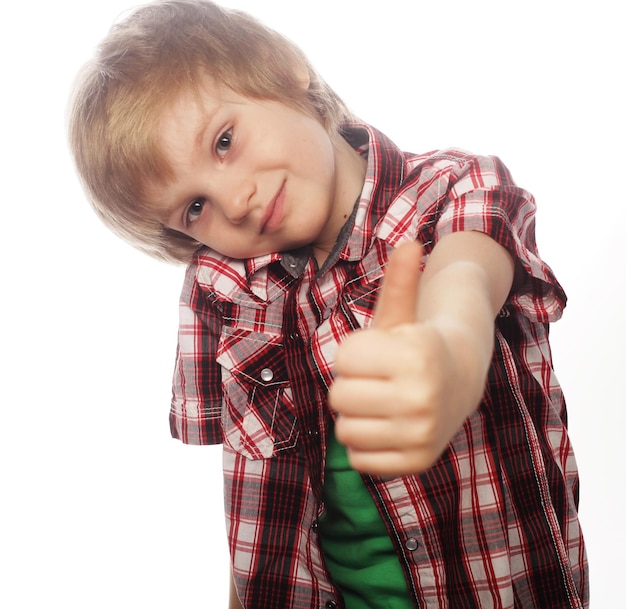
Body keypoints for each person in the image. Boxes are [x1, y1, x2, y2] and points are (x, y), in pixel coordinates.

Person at [68, 1, 589, 607]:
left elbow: (467, 277)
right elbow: (250, 516)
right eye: (194, 208)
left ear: (283, 68)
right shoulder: (218, 292)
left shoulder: (456, 187)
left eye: (225, 141)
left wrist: (450, 353)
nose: (234, 202)